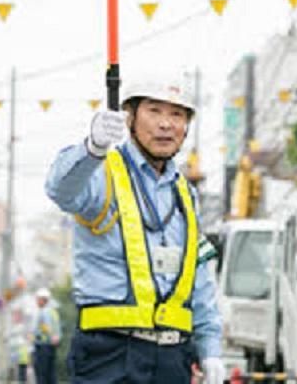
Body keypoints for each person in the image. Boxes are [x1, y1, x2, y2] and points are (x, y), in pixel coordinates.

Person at [44, 72, 225, 384]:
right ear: (128, 118)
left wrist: (210, 349)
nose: (166, 124)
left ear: (186, 126)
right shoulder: (101, 172)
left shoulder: (186, 194)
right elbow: (60, 189)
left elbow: (199, 280)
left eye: (177, 114)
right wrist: (92, 148)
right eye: (154, 111)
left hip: (173, 359)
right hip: (107, 355)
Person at [32, 287, 61, 384]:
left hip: (42, 346)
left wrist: (35, 335)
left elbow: (46, 328)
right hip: (51, 347)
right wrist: (56, 338)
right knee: (51, 374)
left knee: (42, 374)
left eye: (38, 299)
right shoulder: (53, 312)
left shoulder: (43, 312)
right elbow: (58, 330)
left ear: (43, 299)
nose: (36, 301)